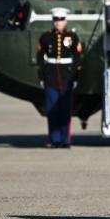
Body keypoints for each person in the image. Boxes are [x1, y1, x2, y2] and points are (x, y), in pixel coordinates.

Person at [36, 8, 83, 148]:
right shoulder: (45, 37)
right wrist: (41, 77)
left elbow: (78, 57)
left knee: (65, 110)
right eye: (56, 20)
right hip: (51, 77)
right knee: (52, 111)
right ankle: (54, 139)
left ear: (65, 21)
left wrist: (76, 78)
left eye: (61, 20)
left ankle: (65, 140)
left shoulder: (72, 37)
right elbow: (39, 58)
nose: (58, 23)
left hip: (67, 77)